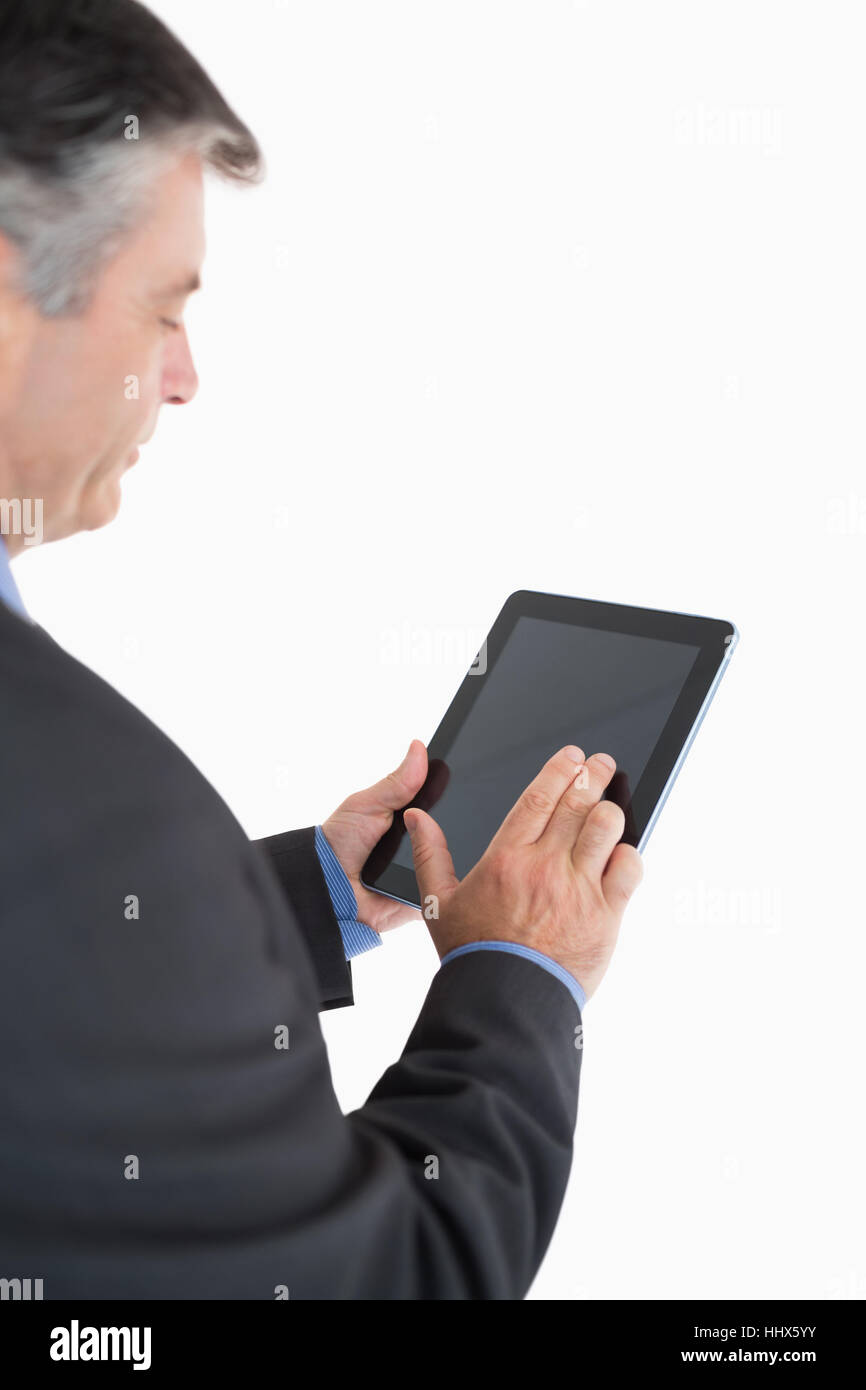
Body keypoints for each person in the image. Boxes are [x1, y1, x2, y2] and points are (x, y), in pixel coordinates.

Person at [0, 0, 642, 1299]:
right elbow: (383, 1279)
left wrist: (308, 900)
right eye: (162, 310)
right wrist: (518, 978)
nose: (182, 378)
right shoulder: (83, 808)